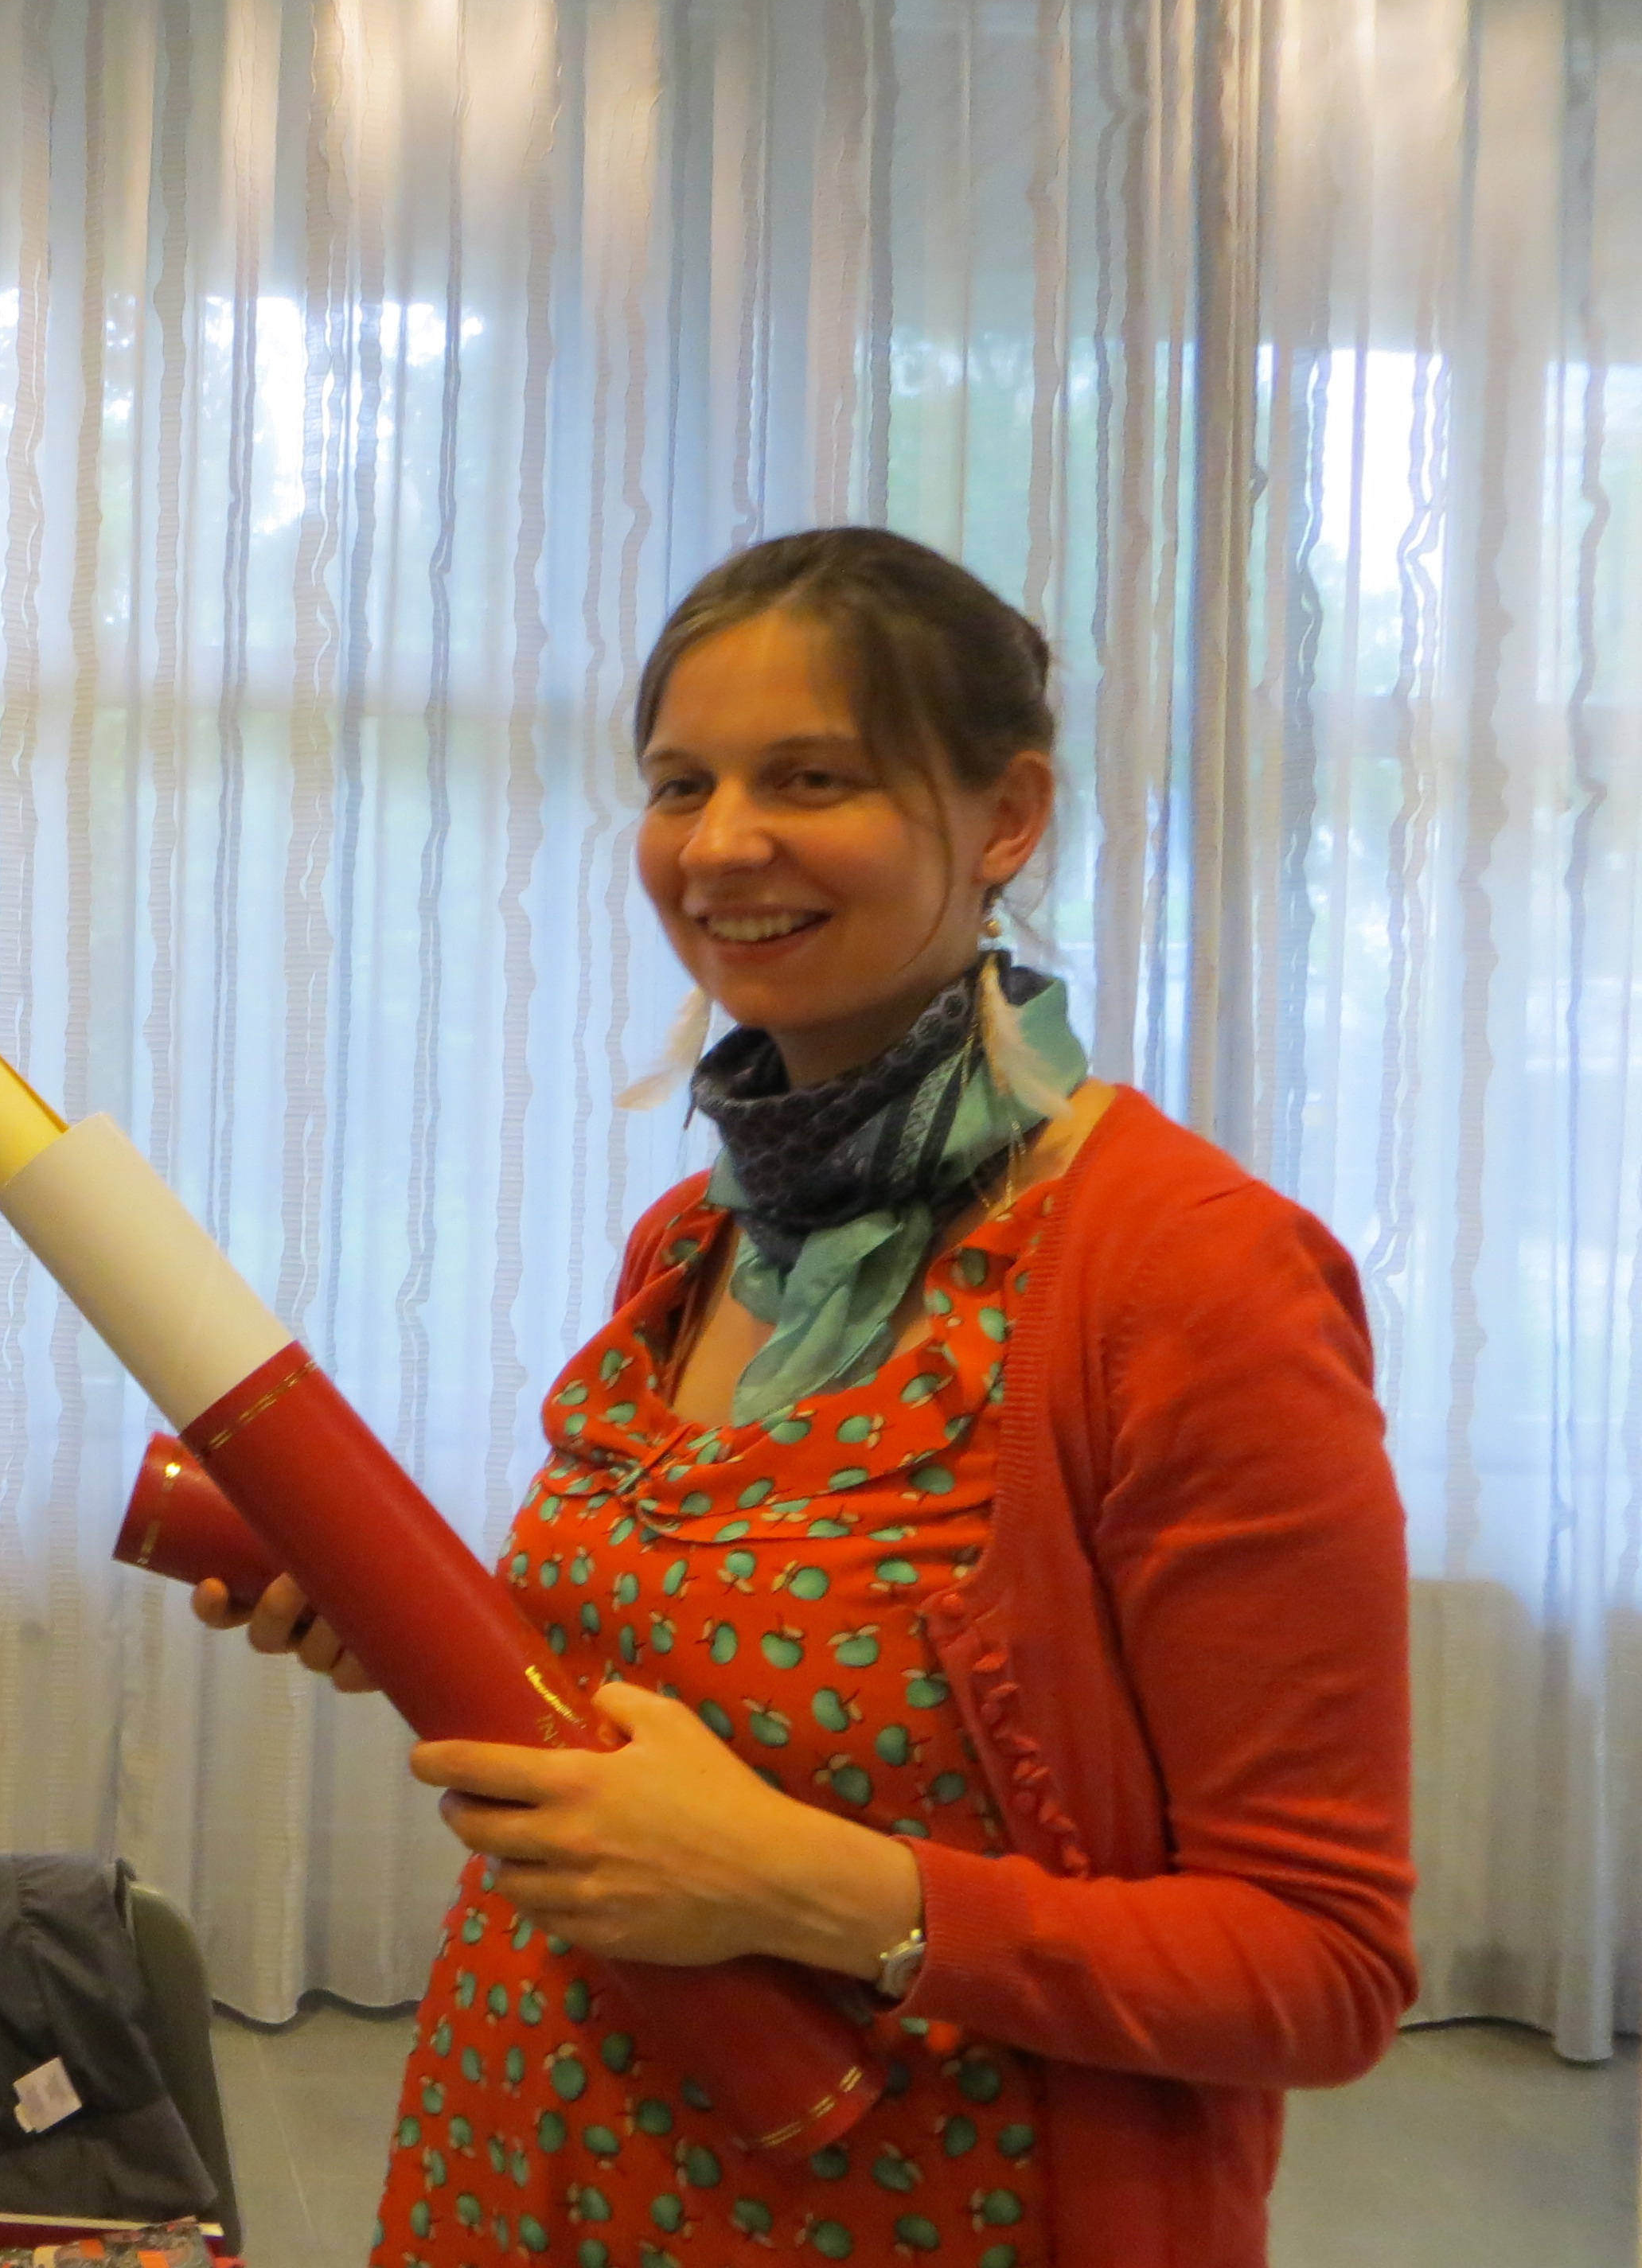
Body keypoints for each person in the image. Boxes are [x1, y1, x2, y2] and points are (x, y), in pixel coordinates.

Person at [198, 528, 1416, 2268]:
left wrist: (818, 1893)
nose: (719, 845)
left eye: (809, 779)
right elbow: (682, 1701)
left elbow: (1321, 1969)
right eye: (677, 784)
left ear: (1006, 819)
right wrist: (414, 1624)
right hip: (522, 2164)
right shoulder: (694, 1242)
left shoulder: (1185, 1275)